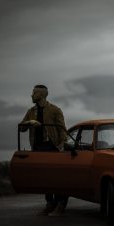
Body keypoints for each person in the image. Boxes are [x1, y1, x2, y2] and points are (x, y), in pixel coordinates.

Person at [20, 84, 68, 216]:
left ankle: (61, 204)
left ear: (41, 95)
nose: (31, 95)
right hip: (37, 148)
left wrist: (61, 147)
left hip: (52, 147)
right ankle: (50, 203)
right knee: (45, 178)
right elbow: (21, 128)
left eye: (34, 93)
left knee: (57, 178)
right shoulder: (31, 111)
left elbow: (62, 130)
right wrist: (31, 122)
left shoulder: (54, 110)